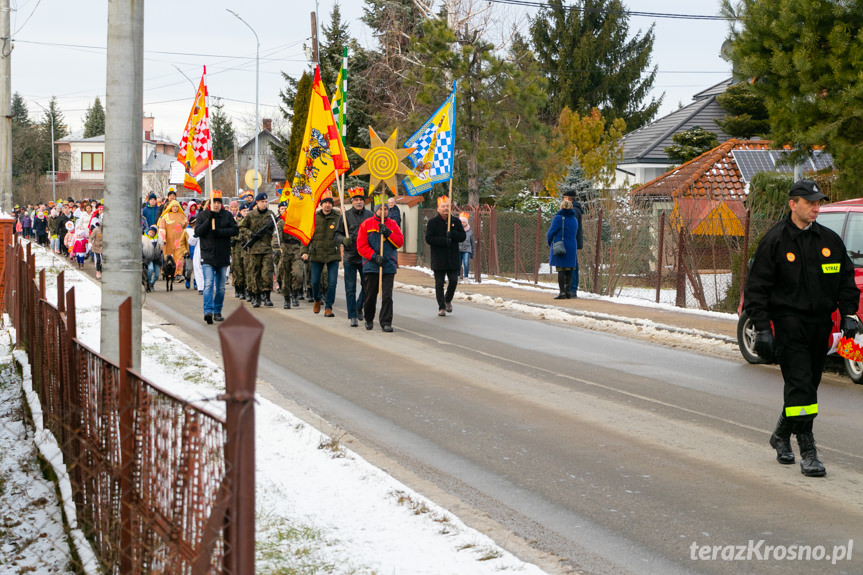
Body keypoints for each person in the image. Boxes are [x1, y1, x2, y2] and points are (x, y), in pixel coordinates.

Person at [744, 179, 860, 478]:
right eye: (810, 202)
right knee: (800, 385)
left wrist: (849, 314)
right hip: (788, 324)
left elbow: (847, 279)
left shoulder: (830, 241)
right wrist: (762, 329)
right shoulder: (775, 241)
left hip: (821, 326)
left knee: (807, 385)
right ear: (793, 204)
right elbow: (757, 289)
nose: (816, 208)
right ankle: (807, 450)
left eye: (819, 202)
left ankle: (781, 434)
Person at [357, 196, 404, 332]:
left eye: (385, 209)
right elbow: (361, 246)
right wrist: (374, 256)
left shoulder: (393, 224)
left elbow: (399, 242)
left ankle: (386, 321)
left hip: (388, 264)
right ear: (375, 210)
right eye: (380, 209)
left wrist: (388, 233)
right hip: (371, 264)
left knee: (387, 295)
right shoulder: (367, 224)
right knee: (370, 293)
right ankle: (369, 318)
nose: (383, 211)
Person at [194, 191, 239, 324]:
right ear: (210, 203)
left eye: (219, 202)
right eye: (214, 202)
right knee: (208, 283)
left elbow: (235, 230)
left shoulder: (227, 215)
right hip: (207, 255)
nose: (217, 205)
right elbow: (198, 231)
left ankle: (217, 311)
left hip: (222, 255)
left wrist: (219, 232)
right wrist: (209, 220)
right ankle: (208, 310)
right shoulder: (203, 215)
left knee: (220, 287)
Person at [334, 187, 373, 327]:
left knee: (367, 286)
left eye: (361, 200)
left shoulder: (370, 215)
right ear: (352, 201)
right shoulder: (345, 216)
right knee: (350, 288)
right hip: (350, 256)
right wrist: (343, 240)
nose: (359, 202)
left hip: (365, 257)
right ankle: (352, 315)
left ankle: (359, 306)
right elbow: (336, 234)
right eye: (356, 200)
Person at [302, 191, 341, 317]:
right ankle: (317, 299)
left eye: (330, 203)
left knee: (332, 282)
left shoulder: (338, 217)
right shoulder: (314, 217)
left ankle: (328, 307)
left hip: (332, 254)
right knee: (314, 281)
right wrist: (304, 251)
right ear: (321, 204)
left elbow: (344, 231)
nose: (327, 205)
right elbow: (307, 236)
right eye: (325, 203)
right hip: (316, 254)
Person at [425, 196, 466, 316]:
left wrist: (452, 235)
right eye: (443, 207)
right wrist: (443, 241)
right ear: (438, 208)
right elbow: (429, 238)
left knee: (453, 280)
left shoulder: (456, 221)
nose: (445, 209)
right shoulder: (433, 222)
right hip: (439, 258)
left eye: (447, 206)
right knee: (439, 283)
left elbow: (462, 236)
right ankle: (441, 306)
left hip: (452, 258)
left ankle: (448, 299)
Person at [239, 192, 279, 308]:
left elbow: (275, 229)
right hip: (254, 250)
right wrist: (251, 235)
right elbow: (241, 227)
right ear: (257, 202)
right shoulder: (251, 215)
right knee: (255, 273)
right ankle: (256, 297)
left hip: (267, 249)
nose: (264, 204)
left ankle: (267, 297)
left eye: (266, 202)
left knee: (267, 273)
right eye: (262, 202)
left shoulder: (270, 214)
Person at [546, 198, 579, 300]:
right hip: (572, 245)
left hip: (561, 244)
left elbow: (551, 232)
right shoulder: (574, 219)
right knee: (569, 269)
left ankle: (562, 293)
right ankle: (568, 292)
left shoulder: (558, 218)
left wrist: (550, 242)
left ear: (561, 207)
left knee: (561, 270)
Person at [277, 200, 304, 309]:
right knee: (285, 275)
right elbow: (277, 238)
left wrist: (304, 251)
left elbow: (303, 237)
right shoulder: (282, 222)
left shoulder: (300, 221)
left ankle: (295, 294)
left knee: (298, 274)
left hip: (297, 249)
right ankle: (287, 298)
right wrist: (277, 249)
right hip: (285, 249)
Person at [157, 199, 189, 281]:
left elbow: (186, 227)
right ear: (170, 207)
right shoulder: (165, 216)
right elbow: (162, 228)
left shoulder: (182, 216)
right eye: (173, 206)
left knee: (179, 258)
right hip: (168, 242)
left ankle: (178, 274)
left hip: (179, 241)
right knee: (169, 259)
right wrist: (163, 239)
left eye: (176, 206)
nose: (175, 208)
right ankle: (170, 274)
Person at [562, 190, 585, 298]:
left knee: (572, 265)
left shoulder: (573, 211)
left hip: (571, 241)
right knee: (571, 264)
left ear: (568, 198)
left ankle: (572, 289)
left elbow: (571, 227)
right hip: (572, 241)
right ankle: (571, 288)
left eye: (564, 197)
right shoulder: (576, 209)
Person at [231, 203, 250, 300]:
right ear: (240, 212)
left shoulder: (251, 222)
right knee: (238, 270)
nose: (246, 213)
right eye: (244, 211)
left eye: (247, 211)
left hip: (247, 249)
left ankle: (247, 290)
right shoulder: (236, 222)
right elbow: (232, 234)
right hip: (238, 249)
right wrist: (239, 237)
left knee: (247, 269)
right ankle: (239, 289)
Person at [142, 225, 163, 291]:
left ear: (155, 233)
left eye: (152, 233)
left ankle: (151, 283)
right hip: (148, 257)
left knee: (156, 274)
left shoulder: (159, 238)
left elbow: (161, 247)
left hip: (156, 258)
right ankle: (148, 282)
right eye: (150, 232)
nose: (150, 234)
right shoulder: (144, 238)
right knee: (150, 269)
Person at [458, 212, 475, 281]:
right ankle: (458, 276)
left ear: (466, 223)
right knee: (458, 264)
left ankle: (466, 277)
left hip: (467, 250)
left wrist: (473, 254)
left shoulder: (470, 232)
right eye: (461, 222)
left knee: (466, 263)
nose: (462, 224)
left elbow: (472, 243)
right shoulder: (457, 230)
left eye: (464, 222)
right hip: (458, 249)